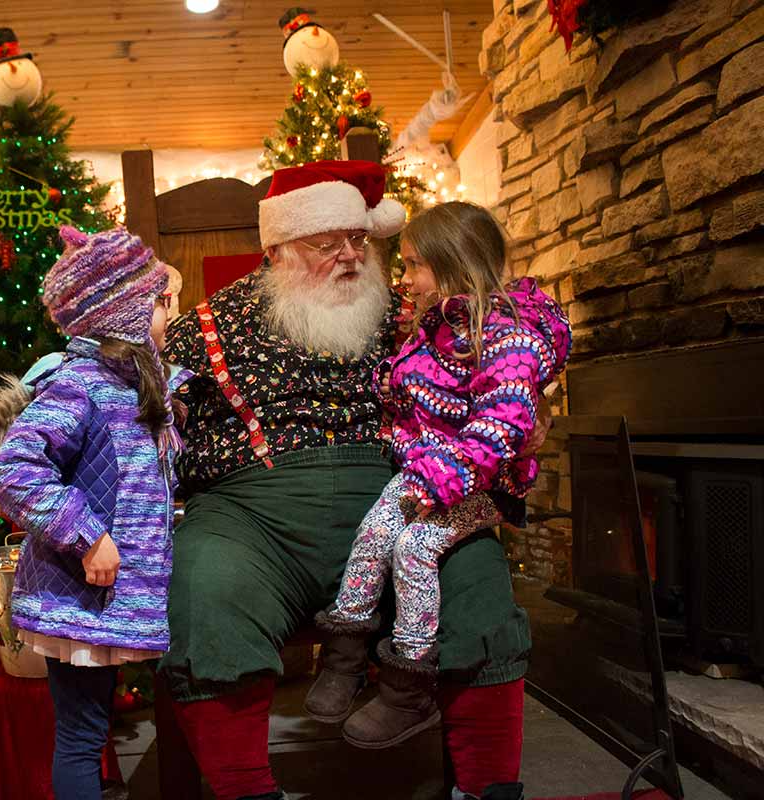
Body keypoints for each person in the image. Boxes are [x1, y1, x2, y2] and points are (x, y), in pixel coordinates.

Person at [160, 161, 532, 800]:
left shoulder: (412, 314)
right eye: (323, 243)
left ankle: (486, 790)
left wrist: (523, 416)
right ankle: (247, 790)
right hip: (254, 513)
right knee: (205, 586)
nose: (349, 256)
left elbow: (498, 361)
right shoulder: (206, 325)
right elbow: (153, 411)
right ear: (277, 249)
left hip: (398, 494)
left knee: (476, 576)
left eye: (357, 240)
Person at [316, 201, 571, 751]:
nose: (404, 279)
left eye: (412, 266)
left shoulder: (509, 334)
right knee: (374, 533)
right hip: (425, 468)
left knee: (413, 549)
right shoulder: (433, 322)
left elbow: (500, 426)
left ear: (453, 263)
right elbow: (411, 389)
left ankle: (409, 687)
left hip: (479, 484)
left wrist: (439, 481)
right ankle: (345, 657)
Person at [0, 225, 180, 800]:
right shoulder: (79, 384)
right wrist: (89, 536)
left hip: (118, 597)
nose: (169, 313)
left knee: (90, 730)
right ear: (125, 312)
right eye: (159, 301)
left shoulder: (138, 384)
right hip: (80, 590)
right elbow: (16, 470)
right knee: (81, 735)